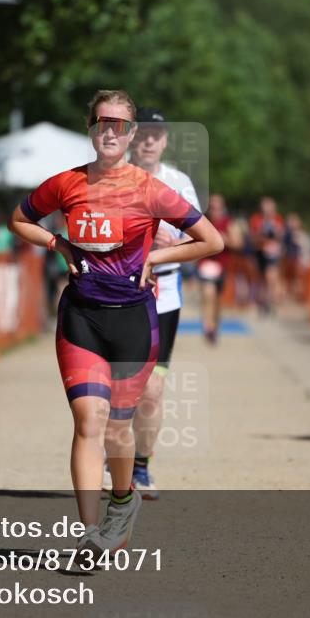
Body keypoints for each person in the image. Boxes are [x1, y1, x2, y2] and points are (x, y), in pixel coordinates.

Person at [7, 90, 223, 556]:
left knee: (117, 431)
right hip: (81, 316)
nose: (110, 131)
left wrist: (156, 256)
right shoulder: (66, 184)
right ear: (91, 127)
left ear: (130, 134)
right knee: (88, 420)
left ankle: (123, 501)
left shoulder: (149, 189)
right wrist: (57, 244)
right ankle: (89, 536)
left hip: (131, 321)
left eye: (120, 125)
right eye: (102, 122)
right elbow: (19, 220)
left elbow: (211, 241)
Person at [113, 106, 201, 500]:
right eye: (143, 133)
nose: (149, 140)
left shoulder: (179, 183)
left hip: (162, 296)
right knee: (114, 386)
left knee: (151, 391)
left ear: (165, 140)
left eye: (156, 134)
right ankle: (114, 457)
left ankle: (141, 466)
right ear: (132, 137)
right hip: (115, 293)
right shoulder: (111, 178)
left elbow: (201, 240)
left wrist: (172, 245)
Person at [197, 194, 238, 344]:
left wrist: (224, 239)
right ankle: (208, 326)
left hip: (222, 265)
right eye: (212, 207)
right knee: (209, 294)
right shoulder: (203, 221)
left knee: (218, 300)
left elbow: (238, 243)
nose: (215, 210)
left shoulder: (229, 223)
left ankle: (215, 325)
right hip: (206, 265)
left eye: (218, 207)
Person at [249, 196, 285, 313]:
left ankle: (270, 301)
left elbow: (281, 236)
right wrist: (261, 232)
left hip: (272, 253)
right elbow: (253, 237)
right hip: (260, 251)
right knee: (262, 278)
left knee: (271, 276)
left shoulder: (278, 219)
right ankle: (262, 300)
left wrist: (276, 232)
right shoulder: (256, 219)